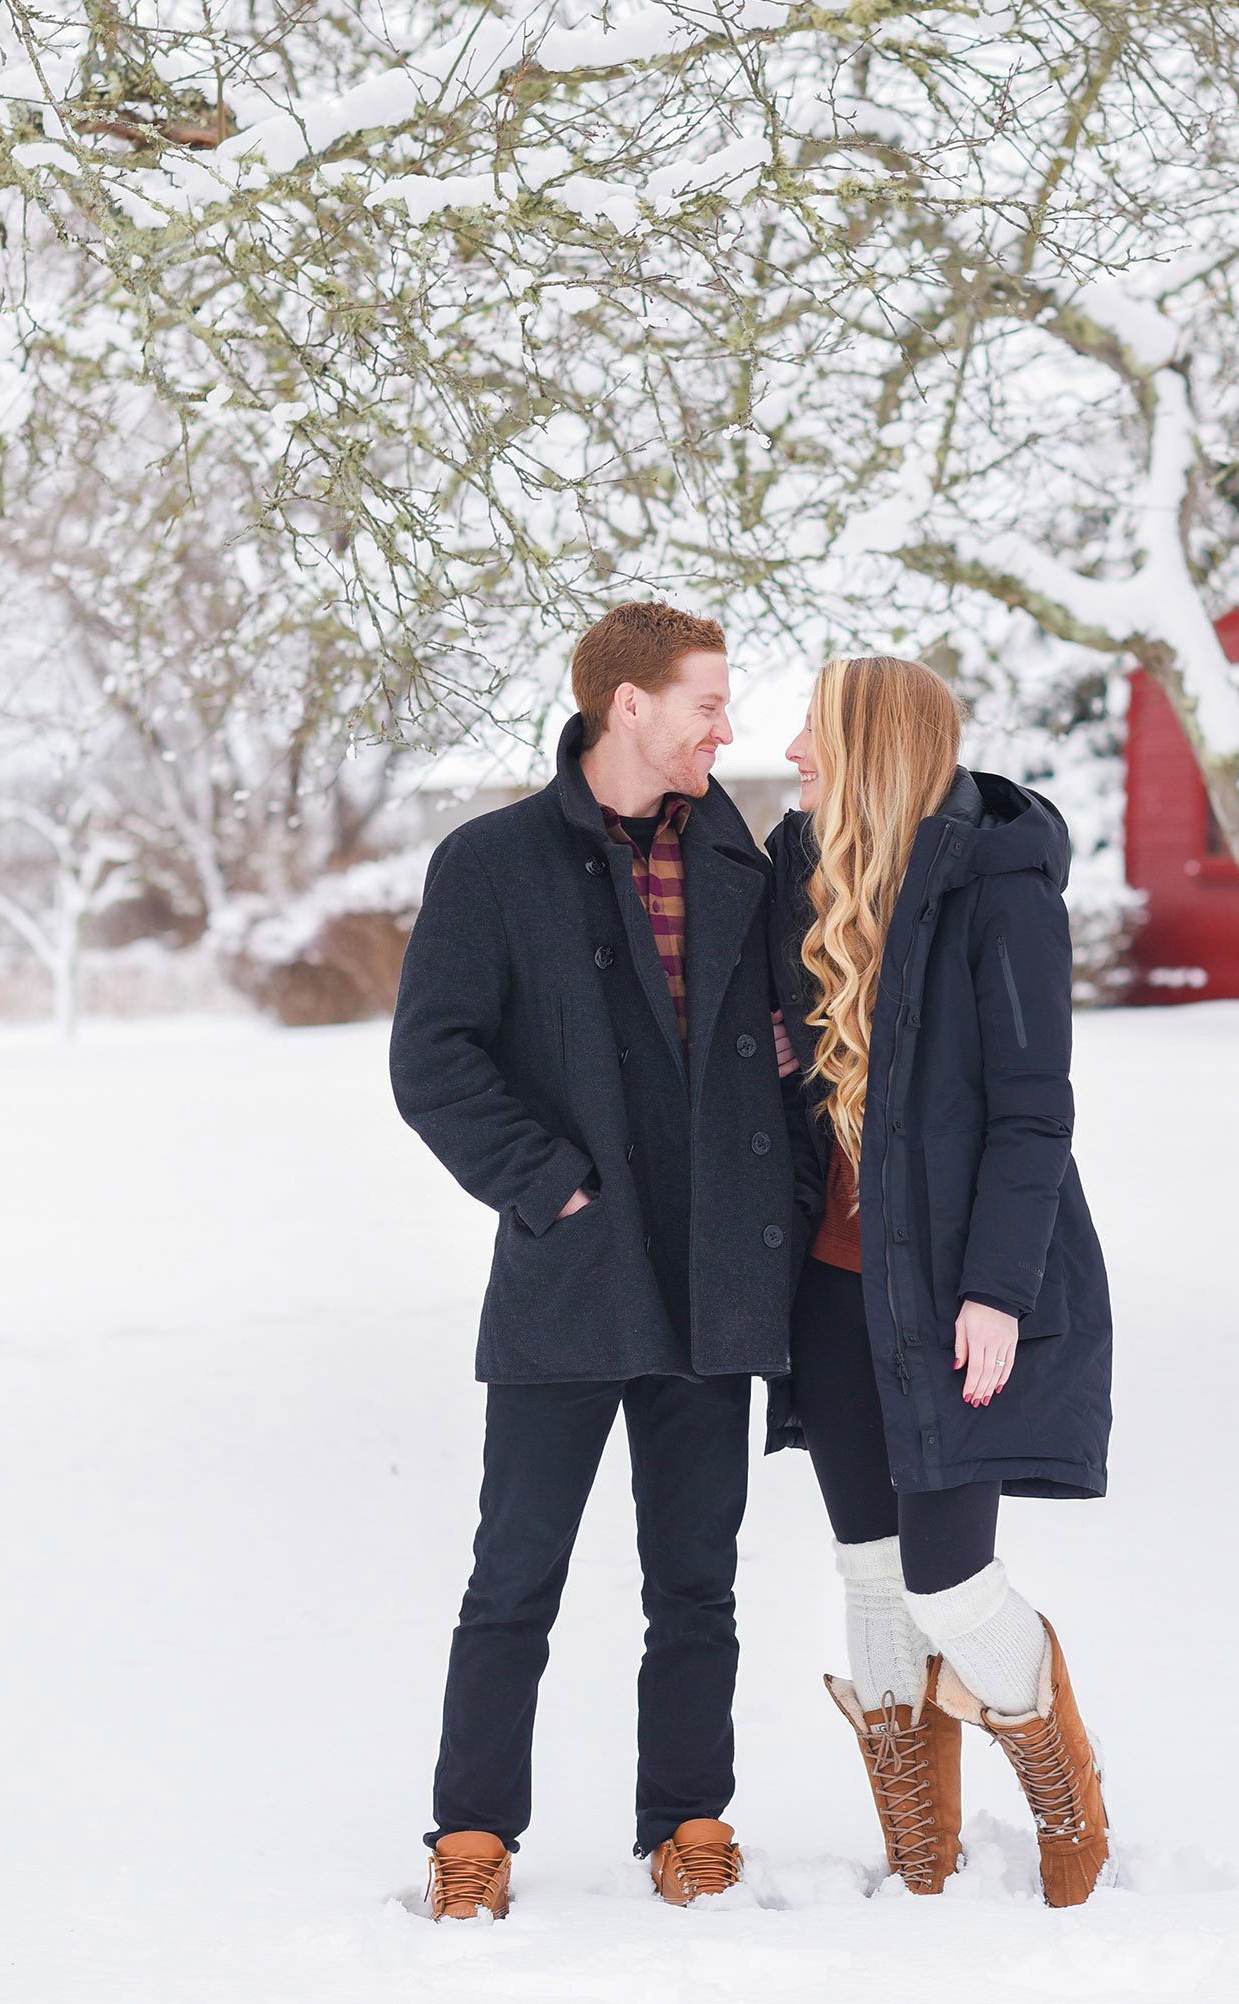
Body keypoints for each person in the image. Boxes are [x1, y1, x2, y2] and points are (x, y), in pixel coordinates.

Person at [390, 602, 822, 1921]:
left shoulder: (742, 858)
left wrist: (790, 1059)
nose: (727, 728)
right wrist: (550, 1187)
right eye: (707, 702)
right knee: (514, 1576)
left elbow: (792, 1026)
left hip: (714, 1275)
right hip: (572, 1274)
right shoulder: (493, 861)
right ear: (627, 704)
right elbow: (433, 1060)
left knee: (697, 1581)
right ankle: (473, 1836)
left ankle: (689, 1823)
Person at [766, 655, 1114, 1906]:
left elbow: (1032, 1111)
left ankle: (1062, 1782)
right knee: (868, 1570)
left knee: (949, 1582)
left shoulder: (1000, 889)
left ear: (869, 743)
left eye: (812, 728)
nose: (790, 750)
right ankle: (922, 1845)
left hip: (955, 1292)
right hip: (831, 1286)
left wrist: (998, 1290)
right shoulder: (800, 872)